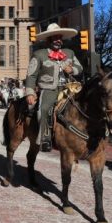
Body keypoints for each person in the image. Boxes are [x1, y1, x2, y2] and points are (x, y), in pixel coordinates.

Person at [24, 23, 83, 152]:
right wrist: (29, 92)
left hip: (69, 88)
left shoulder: (70, 53)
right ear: (48, 39)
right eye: (55, 37)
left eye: (59, 37)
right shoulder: (39, 54)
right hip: (49, 89)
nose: (58, 40)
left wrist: (72, 69)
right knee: (43, 109)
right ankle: (44, 138)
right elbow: (31, 75)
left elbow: (80, 68)